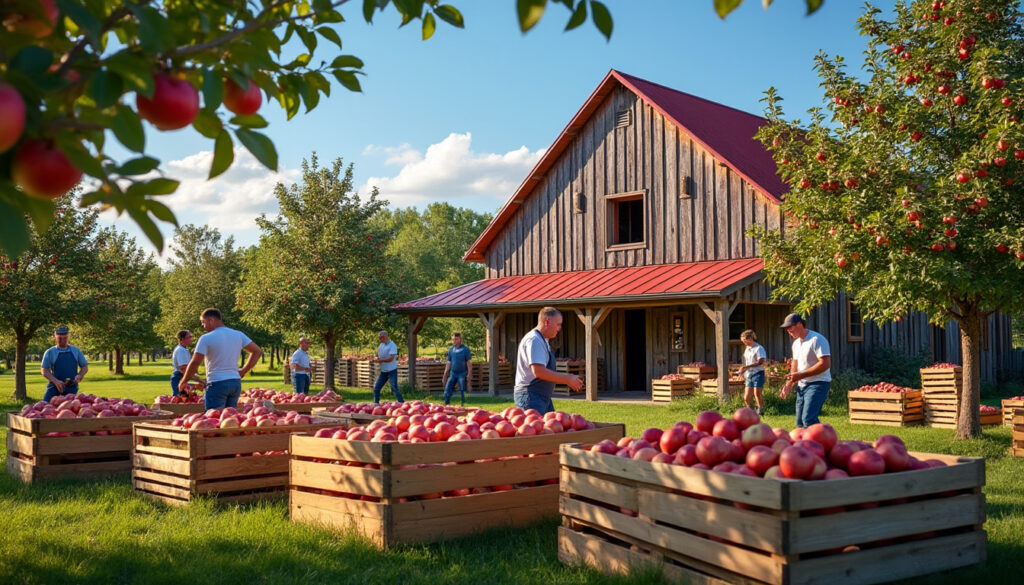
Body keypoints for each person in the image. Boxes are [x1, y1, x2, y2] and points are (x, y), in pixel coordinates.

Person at [179, 308, 262, 409]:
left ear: (211, 320)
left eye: (203, 322)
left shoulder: (206, 338)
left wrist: (184, 381)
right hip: (235, 382)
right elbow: (257, 351)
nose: (203, 326)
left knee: (213, 416)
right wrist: (243, 371)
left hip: (217, 383)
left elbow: (195, 362)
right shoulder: (238, 334)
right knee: (230, 416)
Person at [513, 307, 582, 415]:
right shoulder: (534, 340)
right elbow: (539, 371)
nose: (559, 328)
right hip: (530, 397)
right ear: (547, 322)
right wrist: (567, 379)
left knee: (551, 425)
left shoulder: (542, 340)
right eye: (558, 324)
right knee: (536, 426)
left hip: (540, 397)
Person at [779, 313, 832, 428]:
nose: (788, 330)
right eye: (786, 328)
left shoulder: (816, 339)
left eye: (790, 327)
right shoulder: (796, 344)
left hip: (818, 383)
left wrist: (800, 375)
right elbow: (795, 365)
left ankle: (825, 438)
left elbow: (825, 364)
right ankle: (808, 441)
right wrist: (789, 384)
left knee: (808, 419)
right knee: (799, 423)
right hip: (802, 385)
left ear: (799, 324)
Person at [40, 325, 88, 402]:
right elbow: (44, 370)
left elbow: (84, 367)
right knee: (45, 405)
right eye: (60, 337)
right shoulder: (50, 352)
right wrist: (55, 381)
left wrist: (80, 375)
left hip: (71, 387)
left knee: (70, 407)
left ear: (68, 336)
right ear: (55, 336)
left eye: (65, 337)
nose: (63, 339)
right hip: (54, 387)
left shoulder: (76, 350)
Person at [737, 329, 767, 416]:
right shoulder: (747, 349)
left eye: (744, 340)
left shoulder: (759, 348)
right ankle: (750, 410)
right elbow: (745, 362)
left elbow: (761, 362)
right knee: (746, 397)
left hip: (758, 373)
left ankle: (760, 410)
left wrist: (747, 367)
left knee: (757, 393)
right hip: (749, 374)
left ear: (750, 339)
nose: (743, 342)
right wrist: (742, 370)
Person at [372, 330, 403, 403]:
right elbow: (380, 357)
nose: (380, 339)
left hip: (392, 370)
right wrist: (376, 360)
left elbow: (391, 359)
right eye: (379, 337)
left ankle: (401, 402)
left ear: (386, 336)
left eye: (382, 337)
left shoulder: (392, 345)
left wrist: (382, 360)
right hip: (384, 371)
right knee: (376, 388)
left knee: (394, 388)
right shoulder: (381, 345)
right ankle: (376, 404)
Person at [442, 332, 473, 406]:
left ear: (460, 339)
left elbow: (469, 363)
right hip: (453, 373)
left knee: (463, 391)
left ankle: (463, 405)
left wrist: (469, 374)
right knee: (447, 390)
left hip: (462, 373)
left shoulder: (465, 349)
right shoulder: (451, 350)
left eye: (456, 339)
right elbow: (448, 363)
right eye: (453, 339)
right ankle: (447, 405)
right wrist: (445, 374)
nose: (454, 341)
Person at [171, 330, 205, 396]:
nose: (191, 339)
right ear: (182, 339)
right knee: (181, 399)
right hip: (179, 377)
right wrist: (199, 380)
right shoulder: (181, 351)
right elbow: (183, 369)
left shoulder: (184, 350)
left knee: (188, 398)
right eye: (189, 337)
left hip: (182, 377)